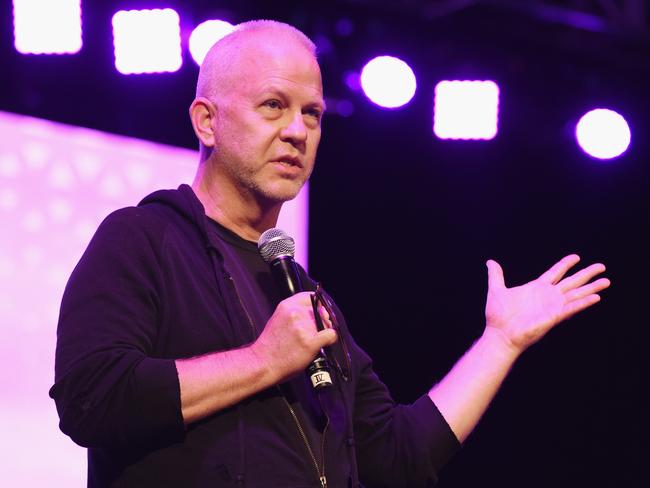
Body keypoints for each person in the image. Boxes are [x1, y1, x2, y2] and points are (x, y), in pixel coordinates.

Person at [50, 20, 610, 487]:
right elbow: (90, 398)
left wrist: (501, 342)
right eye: (273, 106)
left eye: (312, 114)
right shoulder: (142, 239)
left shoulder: (308, 300)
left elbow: (396, 457)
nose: (297, 130)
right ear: (207, 121)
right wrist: (264, 361)